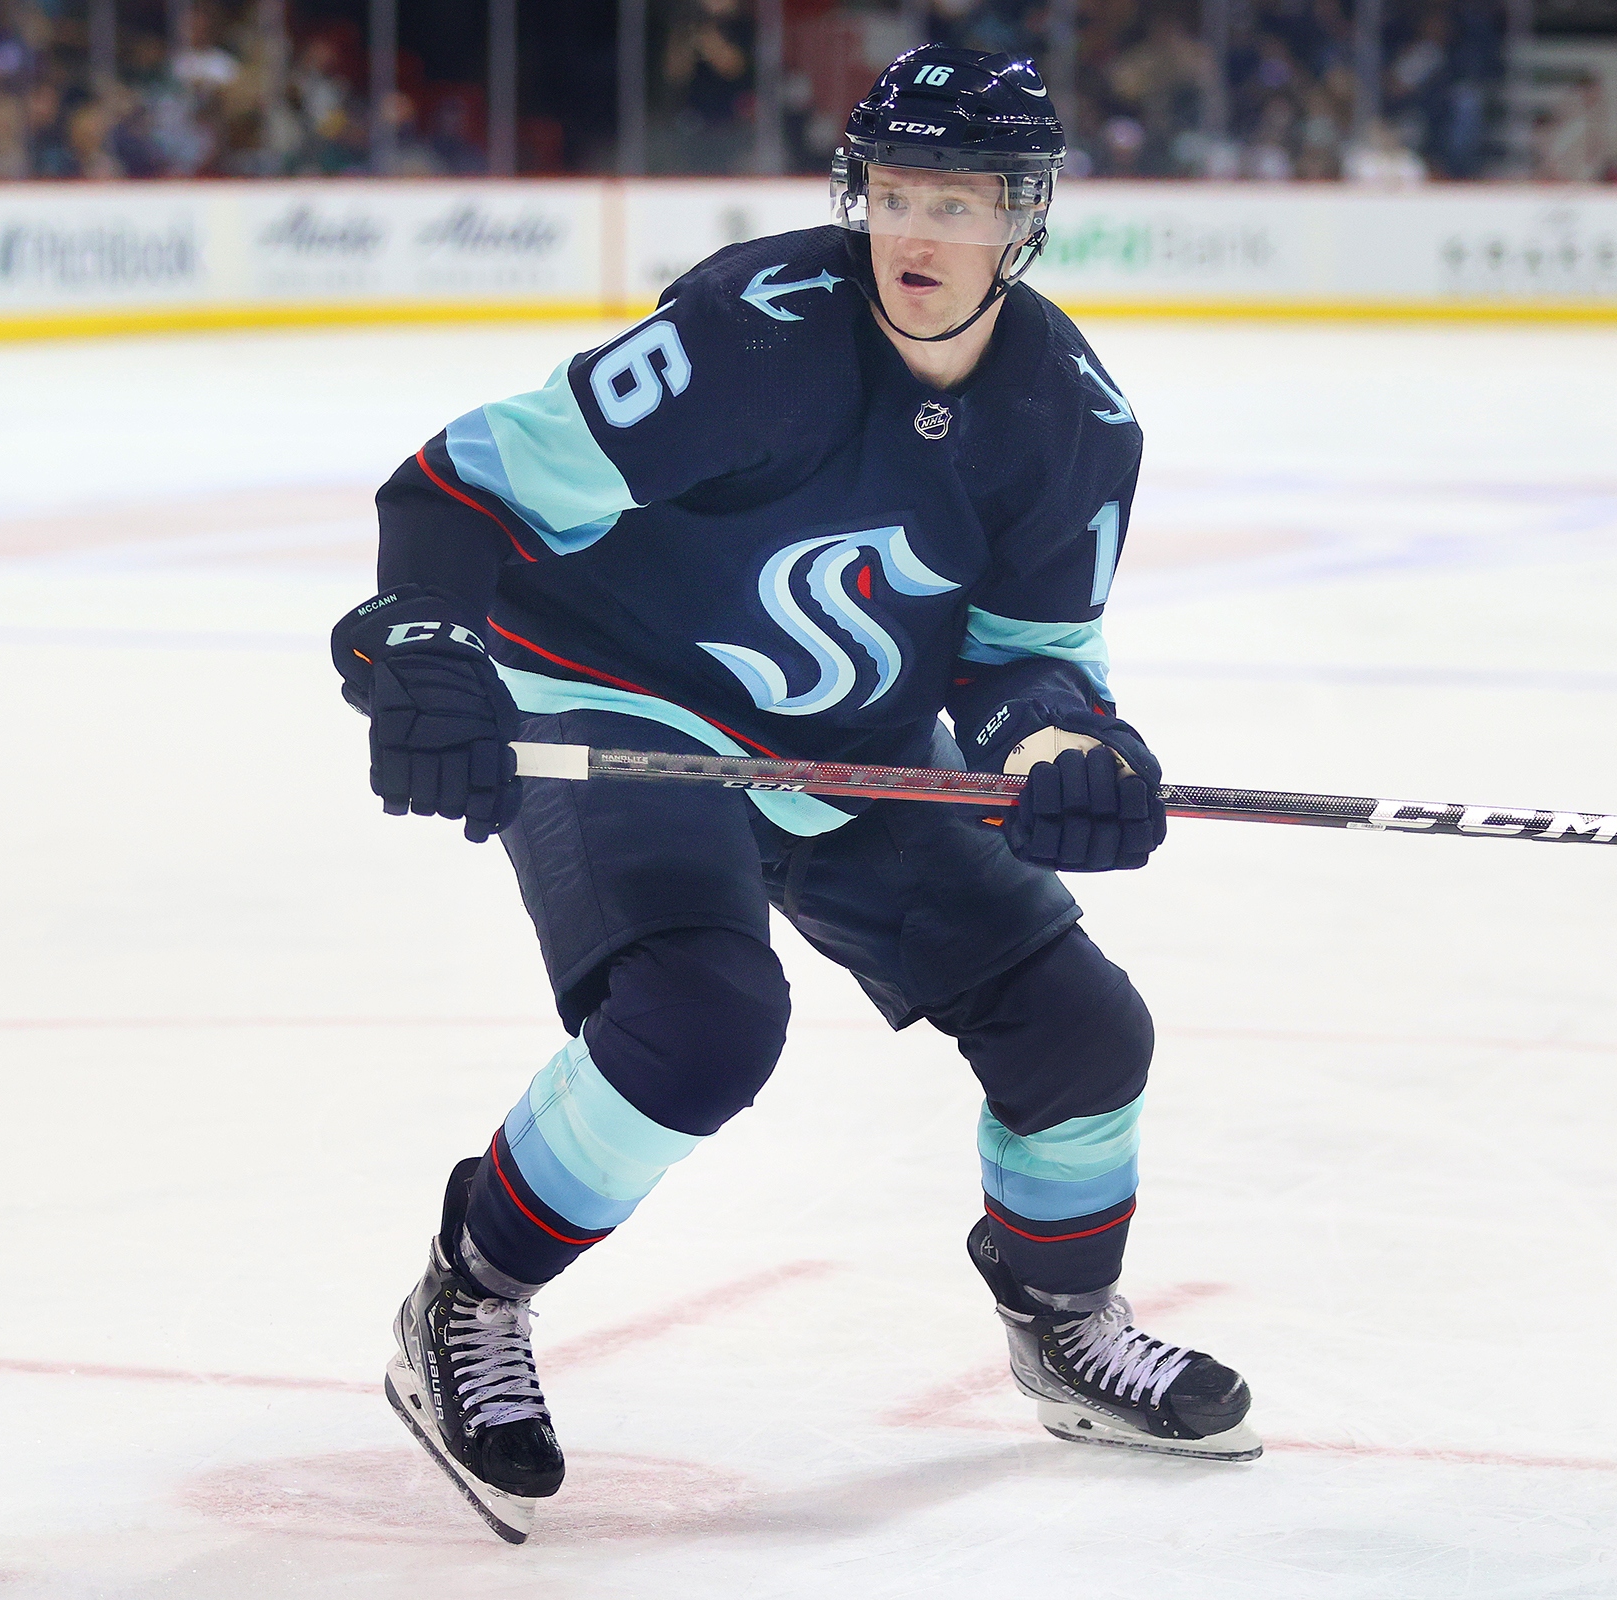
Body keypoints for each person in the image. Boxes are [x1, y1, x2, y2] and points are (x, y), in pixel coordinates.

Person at [329, 45, 1259, 1545]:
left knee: (1082, 1027)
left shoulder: (1074, 421)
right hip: (616, 699)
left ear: (1026, 218)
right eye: (893, 193)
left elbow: (1033, 665)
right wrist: (431, 641)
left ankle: (1064, 1323)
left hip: (850, 750)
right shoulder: (755, 334)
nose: (917, 235)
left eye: (958, 202)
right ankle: (471, 1290)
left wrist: (1062, 758)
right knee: (703, 1020)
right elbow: (455, 490)